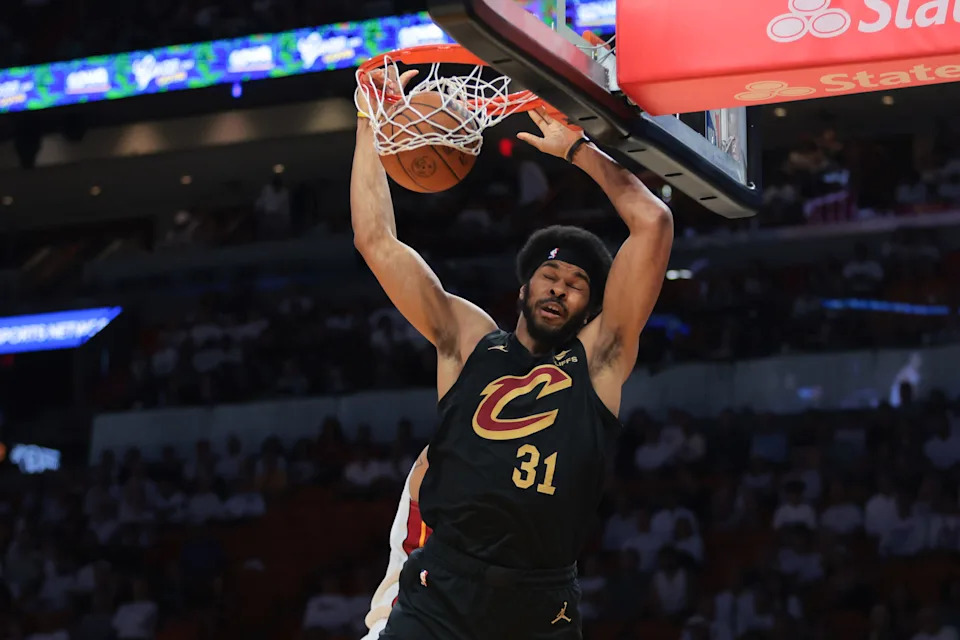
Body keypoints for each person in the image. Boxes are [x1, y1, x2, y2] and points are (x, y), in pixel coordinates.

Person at [352, 68, 673, 640]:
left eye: (577, 285)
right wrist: (368, 123)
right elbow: (376, 243)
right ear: (523, 289)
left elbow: (653, 222)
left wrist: (579, 151)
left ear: (591, 308)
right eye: (550, 275)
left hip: (539, 603)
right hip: (442, 591)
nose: (560, 288)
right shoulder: (471, 340)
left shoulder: (599, 362)